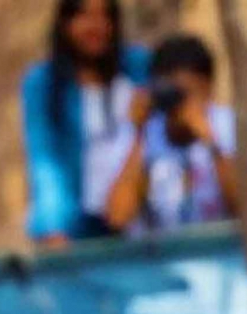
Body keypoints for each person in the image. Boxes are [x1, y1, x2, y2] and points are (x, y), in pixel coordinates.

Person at [103, 34, 247, 234]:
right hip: (158, 259)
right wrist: (140, 136)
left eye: (188, 93)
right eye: (173, 94)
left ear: (209, 88)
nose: (179, 105)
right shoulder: (138, 133)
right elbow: (117, 218)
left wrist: (211, 143)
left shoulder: (233, 129)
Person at [21, 0, 151, 245]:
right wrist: (52, 227)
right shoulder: (44, 83)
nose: (96, 26)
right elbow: (44, 162)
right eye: (84, 16)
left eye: (104, 16)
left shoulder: (138, 67)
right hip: (77, 228)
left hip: (138, 220)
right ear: (65, 22)